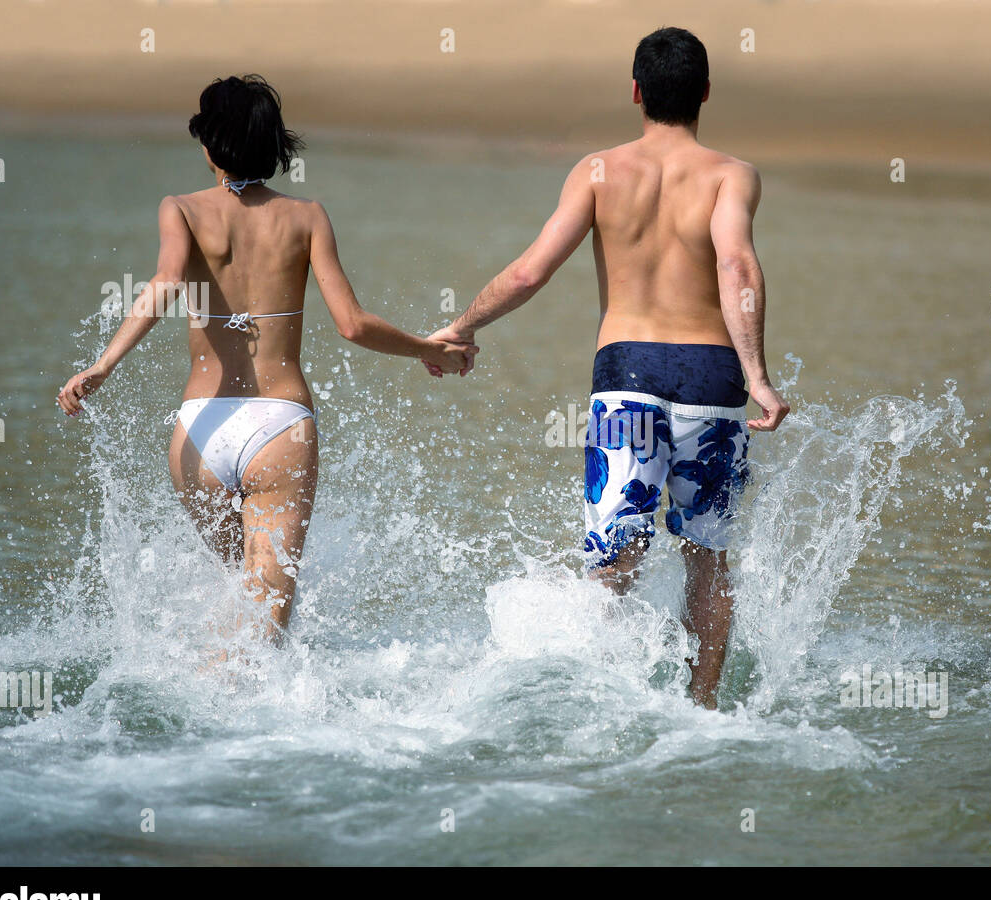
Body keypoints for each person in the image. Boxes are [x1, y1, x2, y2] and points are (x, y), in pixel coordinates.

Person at [427, 28, 789, 708]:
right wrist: (758, 376)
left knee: (613, 561)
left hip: (628, 373)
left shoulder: (597, 171)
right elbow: (736, 265)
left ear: (636, 92)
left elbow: (531, 272)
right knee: (707, 559)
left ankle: (597, 707)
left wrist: (463, 326)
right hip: (714, 378)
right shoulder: (732, 175)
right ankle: (702, 709)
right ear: (706, 92)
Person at [58, 75, 476, 641]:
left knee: (239, 600)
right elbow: (352, 324)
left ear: (208, 145)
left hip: (199, 431)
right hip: (280, 427)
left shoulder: (181, 209)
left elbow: (165, 283)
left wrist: (103, 364)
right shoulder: (307, 217)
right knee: (264, 623)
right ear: (274, 145)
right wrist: (430, 349)